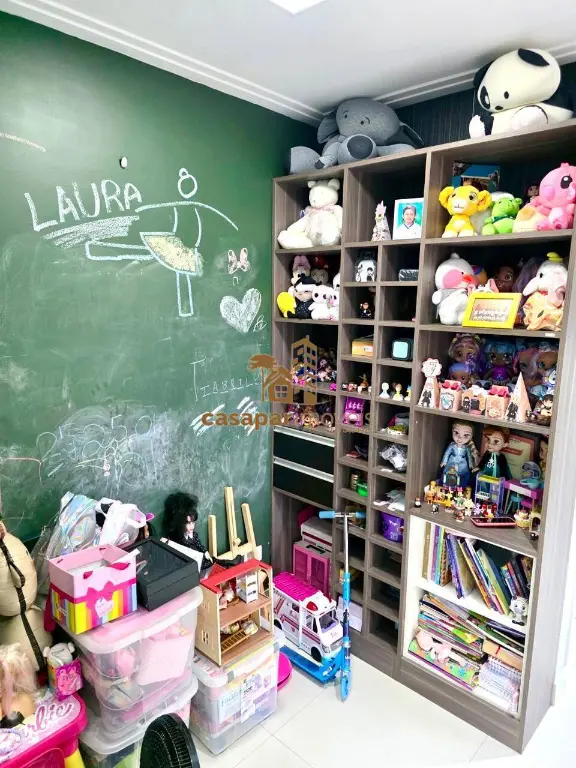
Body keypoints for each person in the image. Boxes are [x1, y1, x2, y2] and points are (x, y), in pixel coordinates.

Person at [162, 492, 241, 573]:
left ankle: (229, 563)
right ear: (180, 523)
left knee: (214, 560)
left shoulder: (192, 534)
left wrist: (205, 552)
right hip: (196, 564)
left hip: (201, 558)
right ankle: (228, 565)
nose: (192, 526)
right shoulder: (178, 539)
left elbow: (198, 543)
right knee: (213, 564)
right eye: (188, 523)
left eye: (193, 522)